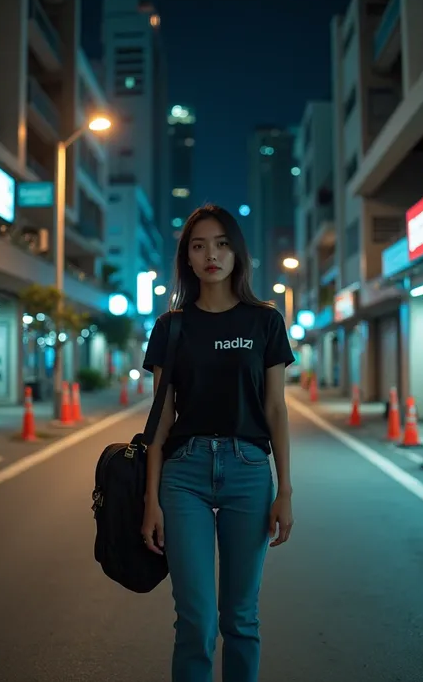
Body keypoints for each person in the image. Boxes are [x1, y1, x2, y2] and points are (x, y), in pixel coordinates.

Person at [142, 204, 295, 682]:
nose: (212, 254)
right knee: (196, 621)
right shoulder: (171, 327)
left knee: (241, 619)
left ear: (237, 253)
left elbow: (275, 408)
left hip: (248, 470)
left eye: (222, 243)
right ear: (187, 257)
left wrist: (284, 490)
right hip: (183, 474)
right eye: (199, 244)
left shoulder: (264, 321)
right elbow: (160, 420)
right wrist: (151, 499)